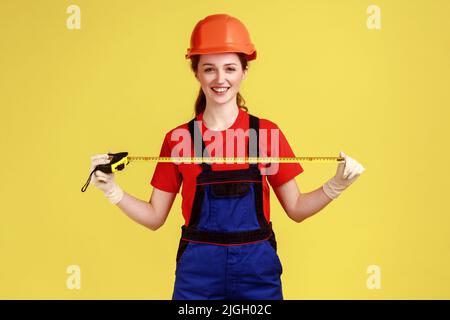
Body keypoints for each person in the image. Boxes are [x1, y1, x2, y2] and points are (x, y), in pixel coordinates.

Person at [89, 14, 365, 300]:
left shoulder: (266, 134)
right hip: (197, 278)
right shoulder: (178, 139)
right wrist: (113, 191)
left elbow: (296, 208)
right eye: (209, 69)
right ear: (196, 72)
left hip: (257, 275)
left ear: (244, 72)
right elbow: (155, 216)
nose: (220, 79)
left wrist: (336, 186)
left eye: (230, 68)